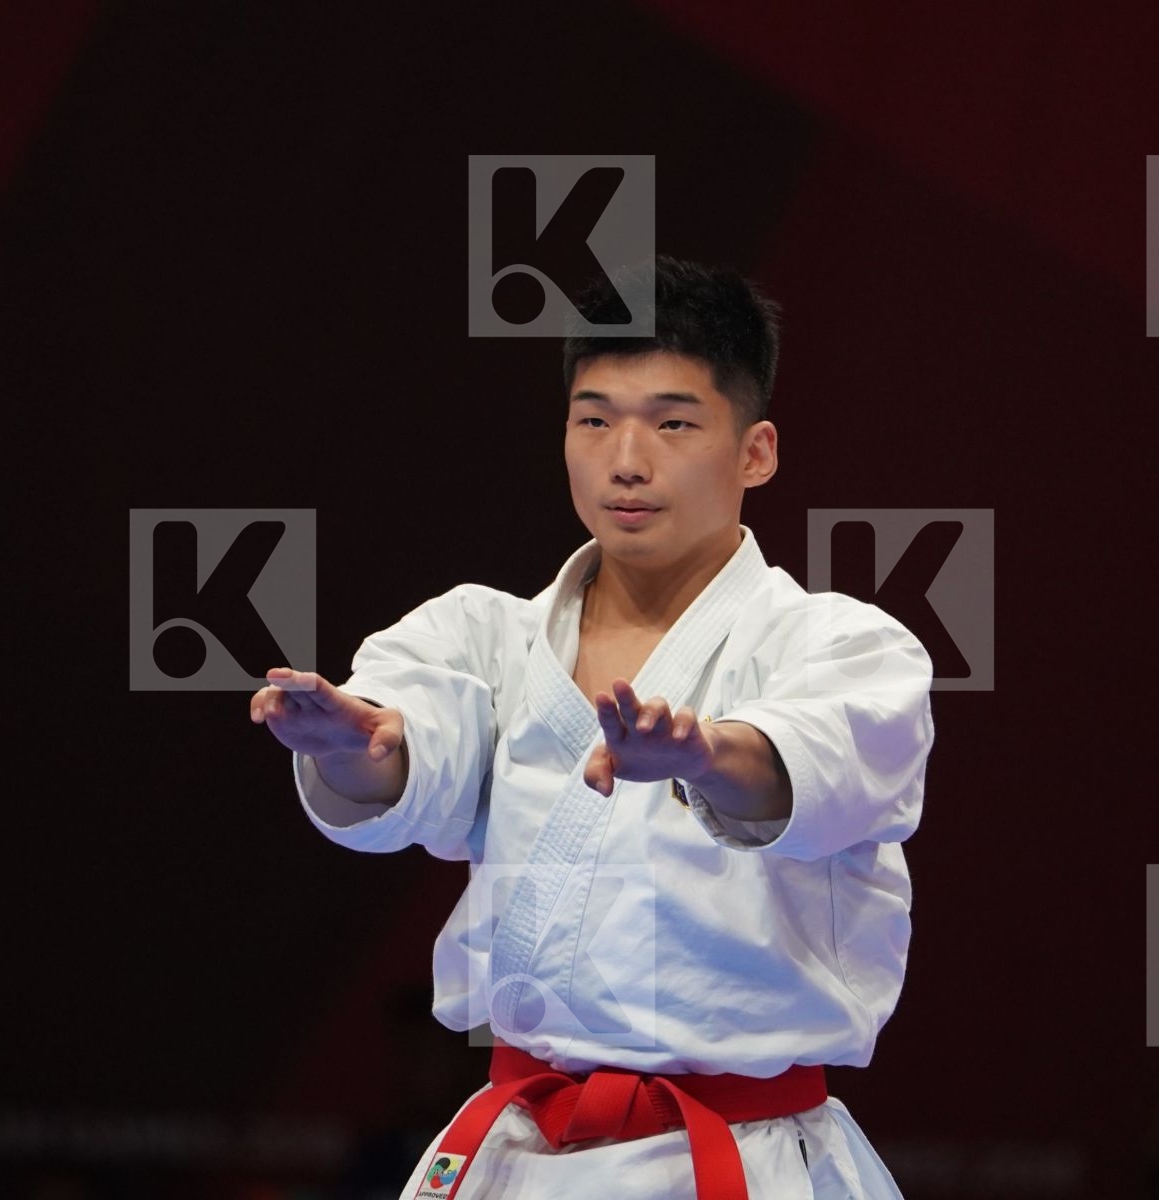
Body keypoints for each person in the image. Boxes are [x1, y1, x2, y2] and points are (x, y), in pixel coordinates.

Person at [250, 256, 935, 1198]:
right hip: (518, 1152)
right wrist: (356, 752)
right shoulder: (482, 634)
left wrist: (705, 755)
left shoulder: (844, 646)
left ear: (756, 452)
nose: (626, 459)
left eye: (673, 423)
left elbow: (813, 760)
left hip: (743, 1153)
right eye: (595, 419)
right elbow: (415, 755)